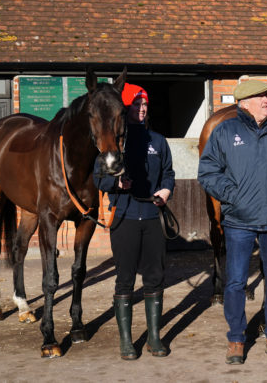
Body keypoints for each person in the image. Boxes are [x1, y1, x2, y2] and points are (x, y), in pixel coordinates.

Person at [198, 79, 267, 365]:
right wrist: (233, 196)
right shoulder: (225, 131)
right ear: (243, 103)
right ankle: (236, 339)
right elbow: (207, 173)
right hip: (238, 221)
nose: (266, 100)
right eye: (260, 97)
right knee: (235, 282)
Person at [94, 83, 175, 359]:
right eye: (136, 105)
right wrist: (116, 183)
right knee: (125, 279)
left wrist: (166, 191)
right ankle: (126, 342)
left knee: (155, 278)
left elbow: (168, 173)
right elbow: (99, 179)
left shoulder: (158, 141)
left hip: (153, 216)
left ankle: (154, 338)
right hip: (125, 217)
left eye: (144, 105)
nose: (141, 110)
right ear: (124, 109)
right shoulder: (113, 144)